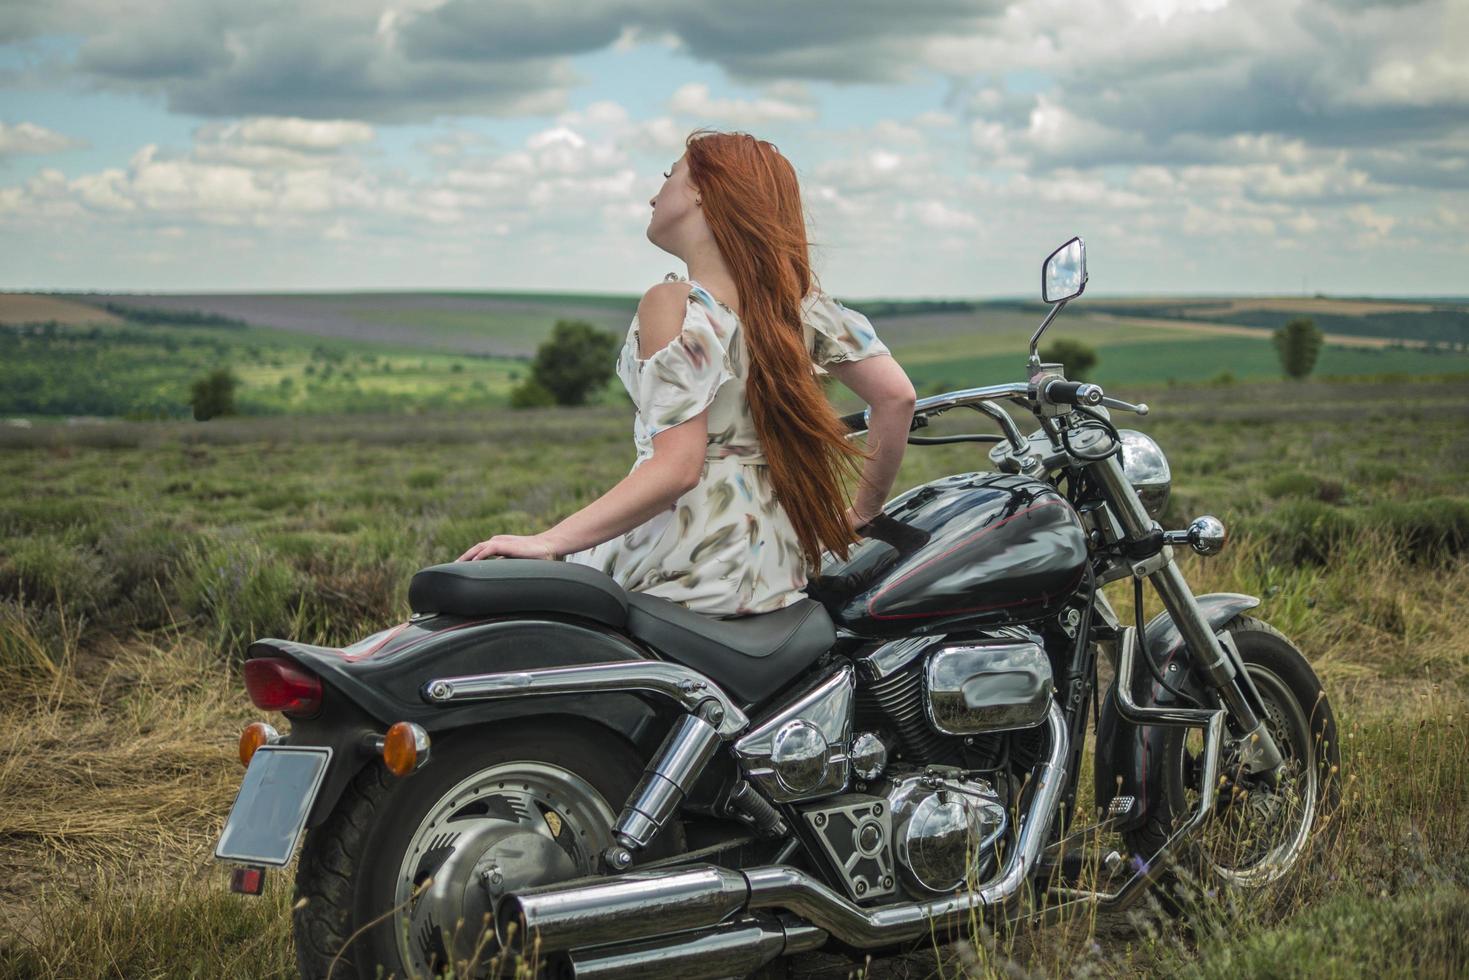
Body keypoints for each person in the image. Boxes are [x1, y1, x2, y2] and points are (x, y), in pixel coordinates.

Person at [457, 129, 917, 617]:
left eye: (668, 176)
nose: (656, 194)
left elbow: (677, 468)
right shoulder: (802, 308)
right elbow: (897, 398)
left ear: (703, 190)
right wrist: (864, 512)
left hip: (688, 558)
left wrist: (550, 541)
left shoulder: (677, 303)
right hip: (777, 561)